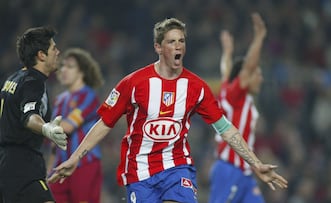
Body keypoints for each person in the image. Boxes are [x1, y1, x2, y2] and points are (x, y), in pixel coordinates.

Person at [48, 17, 287, 203]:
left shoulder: (196, 87)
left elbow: (225, 129)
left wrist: (255, 163)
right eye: (171, 41)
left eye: (181, 41)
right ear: (158, 47)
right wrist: (75, 158)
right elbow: (104, 124)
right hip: (139, 172)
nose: (178, 46)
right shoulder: (133, 83)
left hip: (177, 167)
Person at [0, 26, 67, 203]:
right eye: (53, 48)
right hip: (21, 164)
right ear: (41, 55)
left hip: (7, 162)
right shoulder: (33, 82)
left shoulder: (13, 79)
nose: (58, 52)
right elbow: (29, 116)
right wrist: (46, 128)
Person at [209, 13, 269, 203]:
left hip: (245, 173)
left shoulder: (229, 89)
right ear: (244, 77)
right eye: (256, 74)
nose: (260, 78)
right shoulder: (236, 96)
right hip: (229, 170)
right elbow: (248, 67)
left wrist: (227, 52)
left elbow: (226, 69)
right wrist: (259, 37)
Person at [47, 48, 104, 203]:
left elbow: (67, 127)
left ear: (82, 72)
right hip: (59, 166)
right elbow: (53, 141)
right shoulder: (60, 100)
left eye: (70, 66)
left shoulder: (89, 96)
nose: (64, 70)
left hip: (84, 163)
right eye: (63, 65)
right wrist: (49, 169)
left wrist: (42, 128)